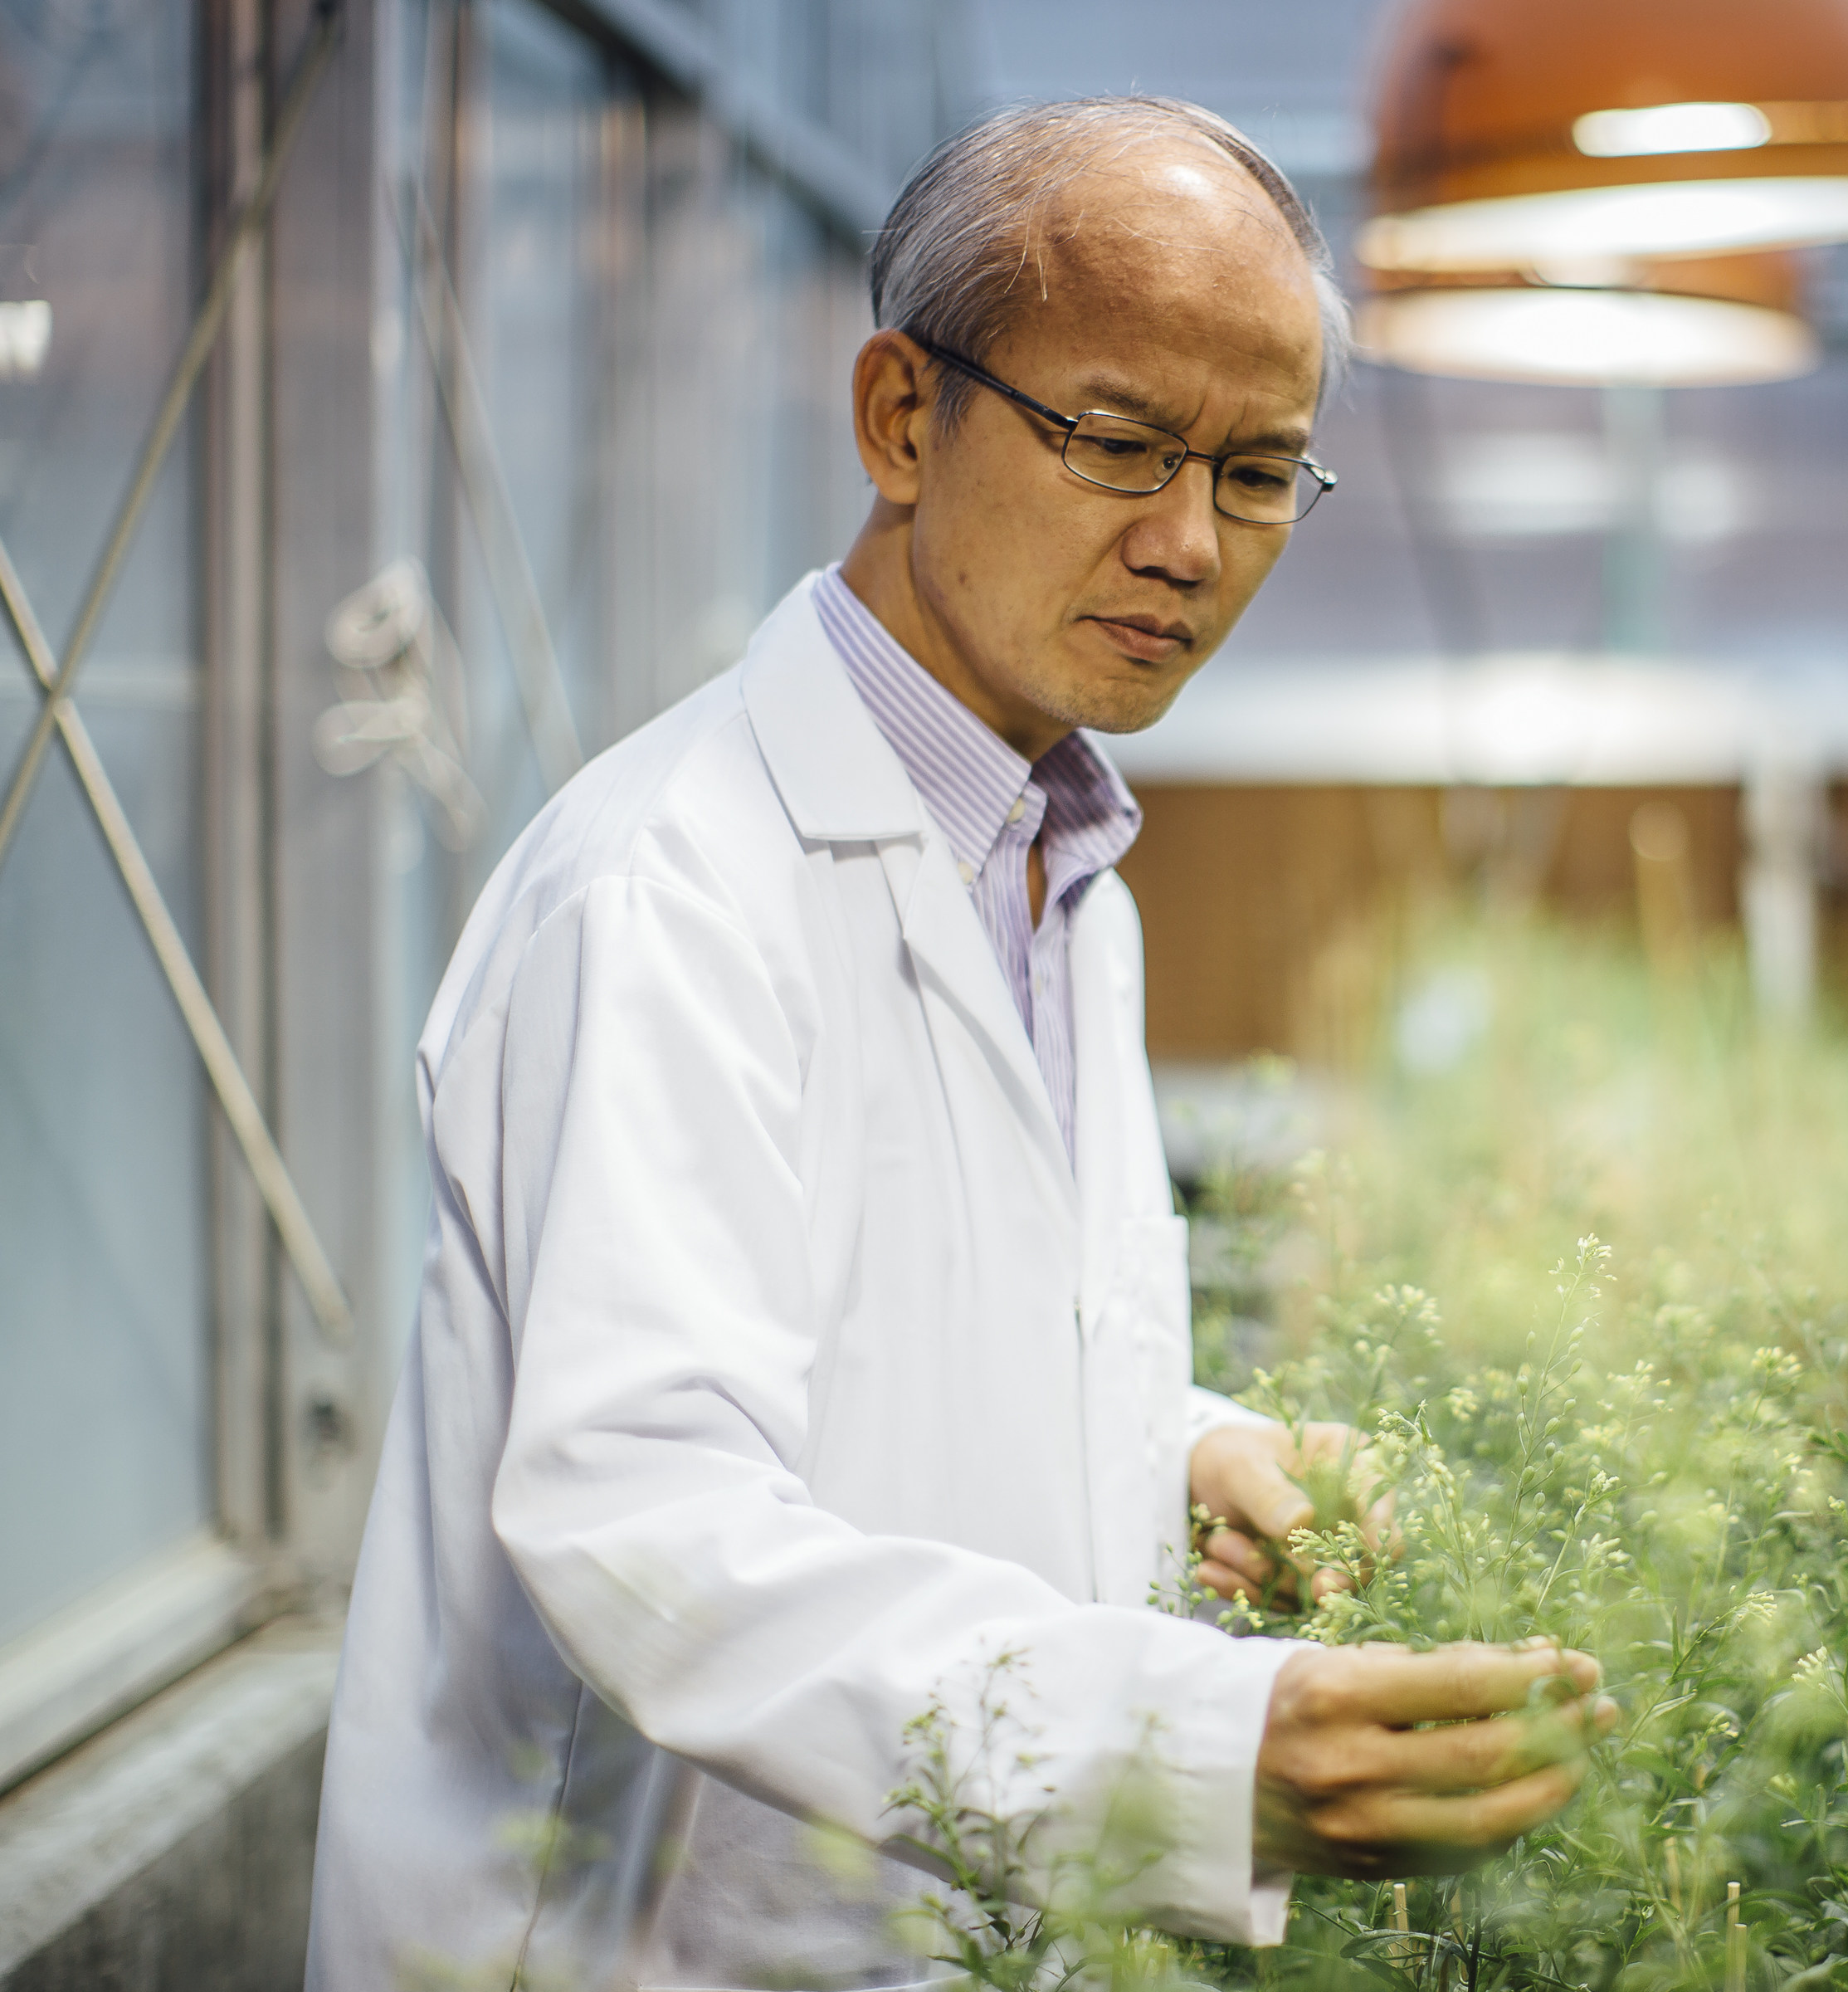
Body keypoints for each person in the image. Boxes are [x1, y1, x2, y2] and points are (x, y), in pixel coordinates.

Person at [306, 98, 1611, 1992]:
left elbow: (894, 1338)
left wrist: (1184, 1448)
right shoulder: (669, 891)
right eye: (1118, 444)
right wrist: (1197, 1748)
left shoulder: (1054, 860)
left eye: (1259, 474)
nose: (1187, 544)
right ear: (903, 417)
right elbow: (649, 1526)